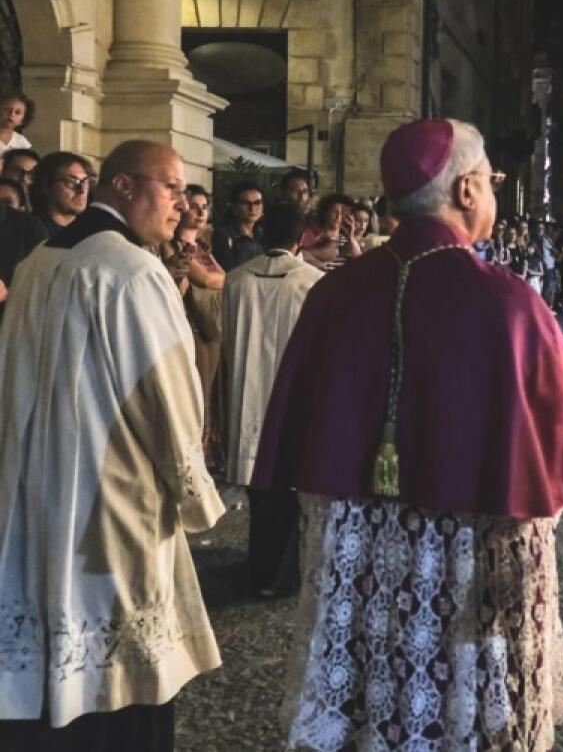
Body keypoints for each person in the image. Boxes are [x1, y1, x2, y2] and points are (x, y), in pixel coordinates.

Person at [251, 119, 563, 751]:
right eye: (492, 180)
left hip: (362, 546)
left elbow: (295, 426)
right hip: (471, 549)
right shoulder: (508, 302)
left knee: (371, 685)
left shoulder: (335, 293)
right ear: (467, 190)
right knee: (463, 699)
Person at [0, 140, 225, 748]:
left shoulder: (37, 263)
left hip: (33, 491)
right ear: (123, 186)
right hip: (111, 502)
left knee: (49, 651)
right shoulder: (131, 271)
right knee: (126, 678)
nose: (182, 205)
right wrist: (197, 496)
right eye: (172, 188)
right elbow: (168, 397)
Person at [223, 202, 322, 597]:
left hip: (246, 391)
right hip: (292, 394)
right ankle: (283, 572)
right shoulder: (312, 281)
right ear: (301, 240)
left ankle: (260, 567)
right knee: (289, 488)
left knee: (259, 491)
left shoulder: (235, 280)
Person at [162, 186, 227, 468]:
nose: (201, 212)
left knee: (210, 392)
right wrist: (229, 278)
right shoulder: (172, 245)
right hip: (192, 326)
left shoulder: (202, 245)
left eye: (205, 206)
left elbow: (219, 276)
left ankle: (207, 453)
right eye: (195, 206)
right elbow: (209, 280)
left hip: (211, 324)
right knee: (196, 390)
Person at [30, 150, 93, 238]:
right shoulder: (31, 230)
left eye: (86, 182)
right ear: (46, 187)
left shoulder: (91, 231)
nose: (82, 190)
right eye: (71, 182)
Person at [212, 180, 265, 270]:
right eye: (246, 203)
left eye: (257, 203)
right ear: (234, 207)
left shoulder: (263, 234)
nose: (252, 208)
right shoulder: (223, 234)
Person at [299, 193, 361, 268]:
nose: (339, 216)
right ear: (325, 213)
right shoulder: (312, 237)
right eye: (334, 211)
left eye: (343, 213)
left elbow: (361, 262)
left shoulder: (349, 241)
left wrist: (351, 238)